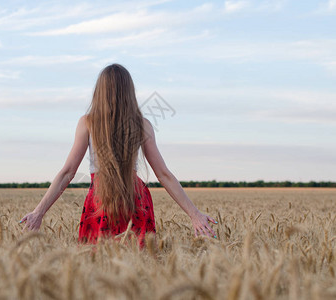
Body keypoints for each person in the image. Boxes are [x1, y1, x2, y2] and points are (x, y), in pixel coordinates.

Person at [20, 63, 217, 247]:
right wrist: (194, 214)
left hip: (100, 203)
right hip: (136, 202)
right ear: (129, 92)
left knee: (96, 265)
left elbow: (68, 172)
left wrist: (39, 212)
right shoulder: (142, 124)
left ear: (100, 91)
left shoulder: (87, 123)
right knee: (142, 266)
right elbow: (163, 174)